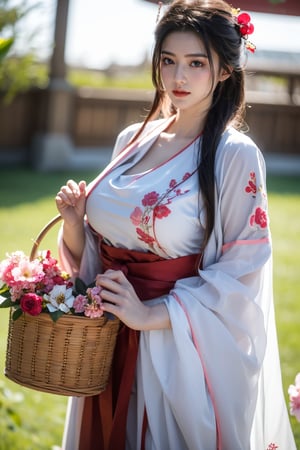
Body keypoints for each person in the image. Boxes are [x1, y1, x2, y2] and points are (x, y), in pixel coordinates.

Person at [55, 1, 296, 449]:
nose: (178, 78)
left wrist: (149, 314)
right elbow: (102, 244)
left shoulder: (234, 155)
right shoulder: (132, 139)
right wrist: (74, 224)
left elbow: (241, 271)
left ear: (225, 70)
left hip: (175, 349)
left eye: (196, 64)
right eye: (168, 61)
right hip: (105, 333)